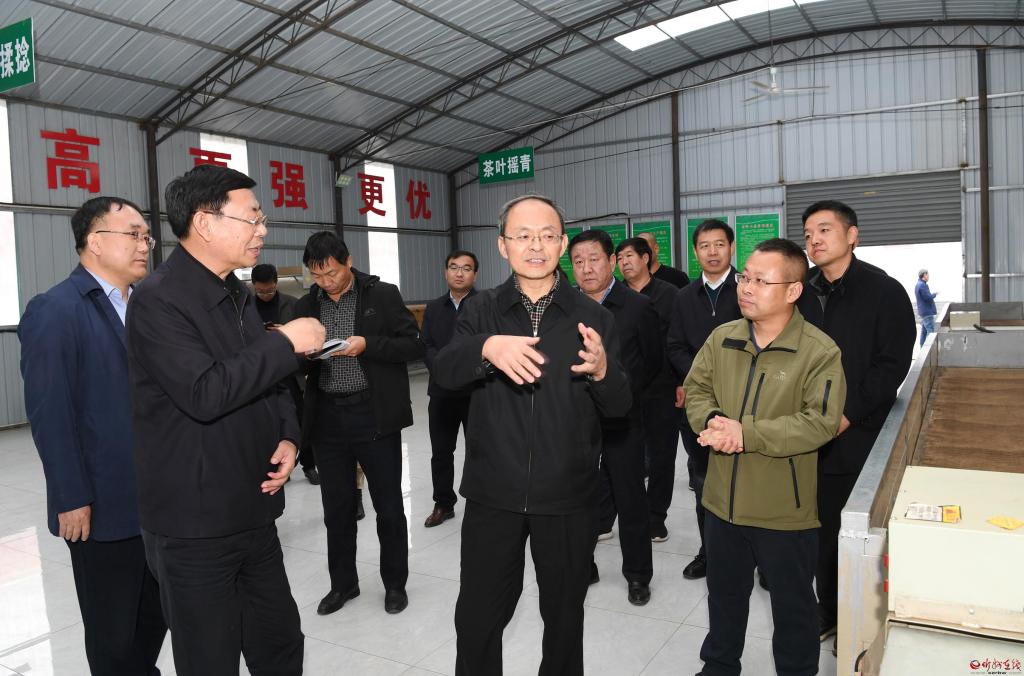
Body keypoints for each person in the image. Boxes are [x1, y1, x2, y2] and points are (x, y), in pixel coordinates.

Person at [127, 164, 324, 675]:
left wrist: (288, 435)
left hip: (252, 511)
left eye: (263, 219)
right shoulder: (158, 299)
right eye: (252, 218)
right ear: (205, 222)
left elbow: (267, 380)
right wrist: (286, 343)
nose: (262, 230)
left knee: (279, 644)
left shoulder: (235, 292)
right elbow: (205, 392)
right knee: (209, 659)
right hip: (194, 526)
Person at [434, 194, 631, 676]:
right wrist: (486, 347)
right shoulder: (480, 311)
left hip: (567, 494)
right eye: (523, 236)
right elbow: (445, 372)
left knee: (564, 619)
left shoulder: (594, 317)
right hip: (493, 491)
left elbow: (621, 407)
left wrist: (603, 372)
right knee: (478, 618)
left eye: (547, 235)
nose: (536, 246)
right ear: (503, 245)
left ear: (562, 244)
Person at [684, 238, 847, 676]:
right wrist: (712, 419)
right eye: (745, 277)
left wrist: (747, 434)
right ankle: (719, 667)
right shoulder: (723, 339)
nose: (746, 287)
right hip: (722, 502)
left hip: (783, 510)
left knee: (793, 608)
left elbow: (821, 422)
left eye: (760, 280)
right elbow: (696, 389)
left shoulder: (818, 351)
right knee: (724, 597)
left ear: (793, 290)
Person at [19, 196, 167, 675]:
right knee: (113, 635)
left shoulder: (144, 306)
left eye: (147, 236)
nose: (145, 245)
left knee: (154, 618)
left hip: (157, 501)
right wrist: (71, 497)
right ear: (95, 242)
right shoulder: (56, 309)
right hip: (101, 507)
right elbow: (50, 413)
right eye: (134, 235)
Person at [797, 200, 916, 644]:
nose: (814, 240)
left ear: (852, 236)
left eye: (824, 230)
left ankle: (853, 619)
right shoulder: (801, 291)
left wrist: (846, 415)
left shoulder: (884, 291)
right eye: (808, 234)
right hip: (804, 430)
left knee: (848, 531)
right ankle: (826, 610)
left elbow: (892, 364)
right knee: (814, 528)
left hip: (856, 434)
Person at [295, 231, 424, 616]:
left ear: (348, 261)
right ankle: (343, 584)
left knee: (388, 506)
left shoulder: (381, 295)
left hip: (373, 413)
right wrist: (302, 353)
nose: (326, 282)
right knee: (336, 509)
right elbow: (292, 363)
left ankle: (395, 584)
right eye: (317, 275)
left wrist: (368, 344)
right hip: (328, 419)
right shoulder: (306, 305)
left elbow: (413, 344)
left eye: (332, 273)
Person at [570, 228, 659, 605]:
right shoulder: (566, 309)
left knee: (630, 497)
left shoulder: (638, 306)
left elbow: (652, 362)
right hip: (577, 421)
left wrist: (619, 391)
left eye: (594, 259)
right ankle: (583, 563)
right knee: (578, 496)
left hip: (623, 419)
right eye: (578, 261)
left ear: (611, 261)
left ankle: (638, 575)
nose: (586, 268)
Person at [666, 219, 742, 581]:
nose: (712, 252)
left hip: (744, 404)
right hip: (699, 406)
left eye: (719, 244)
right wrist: (701, 377)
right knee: (703, 482)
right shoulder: (683, 297)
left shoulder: (748, 288)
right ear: (695, 252)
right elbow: (675, 346)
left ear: (731, 247)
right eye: (705, 246)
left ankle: (756, 557)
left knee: (748, 483)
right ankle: (709, 552)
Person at [616, 236, 678, 542]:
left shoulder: (670, 294)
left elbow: (678, 340)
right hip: (624, 389)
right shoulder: (616, 297)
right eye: (619, 258)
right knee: (625, 455)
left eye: (630, 256)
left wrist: (681, 382)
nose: (624, 262)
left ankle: (656, 517)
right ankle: (621, 514)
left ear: (646, 258)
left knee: (662, 455)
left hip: (661, 387)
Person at [421, 249, 479, 527]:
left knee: (479, 451)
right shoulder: (434, 307)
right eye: (454, 267)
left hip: (476, 392)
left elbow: (488, 343)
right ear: (446, 272)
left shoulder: (485, 304)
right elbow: (427, 345)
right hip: (442, 391)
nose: (459, 273)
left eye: (466, 268)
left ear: (474, 275)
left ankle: (480, 502)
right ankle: (443, 503)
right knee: (441, 452)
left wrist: (467, 371)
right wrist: (443, 369)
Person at [252, 262, 318, 485]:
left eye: (269, 290)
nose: (265, 295)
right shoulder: (246, 307)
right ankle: (280, 467)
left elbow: (305, 338)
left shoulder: (293, 304)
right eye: (260, 291)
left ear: (276, 283)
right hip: (262, 373)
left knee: (302, 420)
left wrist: (286, 334)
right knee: (270, 422)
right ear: (253, 286)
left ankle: (309, 465)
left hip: (291, 372)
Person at [915, 268, 939, 346]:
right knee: (931, 331)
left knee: (924, 332)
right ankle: (928, 349)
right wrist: (934, 294)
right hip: (927, 312)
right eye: (927, 274)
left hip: (923, 312)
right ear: (924, 275)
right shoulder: (922, 285)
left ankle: (922, 349)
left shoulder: (918, 284)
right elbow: (927, 298)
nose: (928, 276)